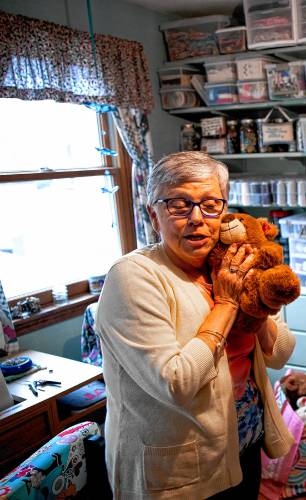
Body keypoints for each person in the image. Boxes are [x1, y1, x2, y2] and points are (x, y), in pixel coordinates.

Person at [96, 151, 295, 499]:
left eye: (210, 204)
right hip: (180, 470)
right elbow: (176, 383)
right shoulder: (133, 276)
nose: (197, 219)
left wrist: (256, 307)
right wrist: (228, 303)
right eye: (178, 205)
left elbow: (279, 352)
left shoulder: (233, 259)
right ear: (153, 216)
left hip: (242, 442)